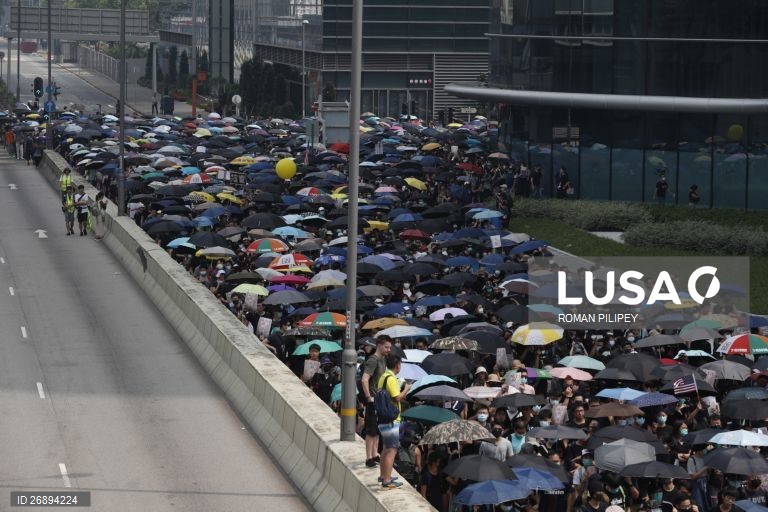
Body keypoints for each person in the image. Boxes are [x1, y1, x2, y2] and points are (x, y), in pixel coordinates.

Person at [377, 354, 410, 489]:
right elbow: (397, 398)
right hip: (391, 419)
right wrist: (406, 389)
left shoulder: (383, 377)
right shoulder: (391, 379)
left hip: (383, 418)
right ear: (397, 365)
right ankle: (387, 480)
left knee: (386, 448)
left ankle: (384, 475)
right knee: (392, 450)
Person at [360, 335, 392, 468]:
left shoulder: (383, 360)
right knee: (371, 430)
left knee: (377, 430)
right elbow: (364, 379)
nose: (388, 350)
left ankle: (374, 454)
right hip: (373, 399)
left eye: (389, 347)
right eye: (386, 347)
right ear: (379, 345)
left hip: (381, 399)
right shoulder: (373, 360)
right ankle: (369, 457)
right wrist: (369, 398)